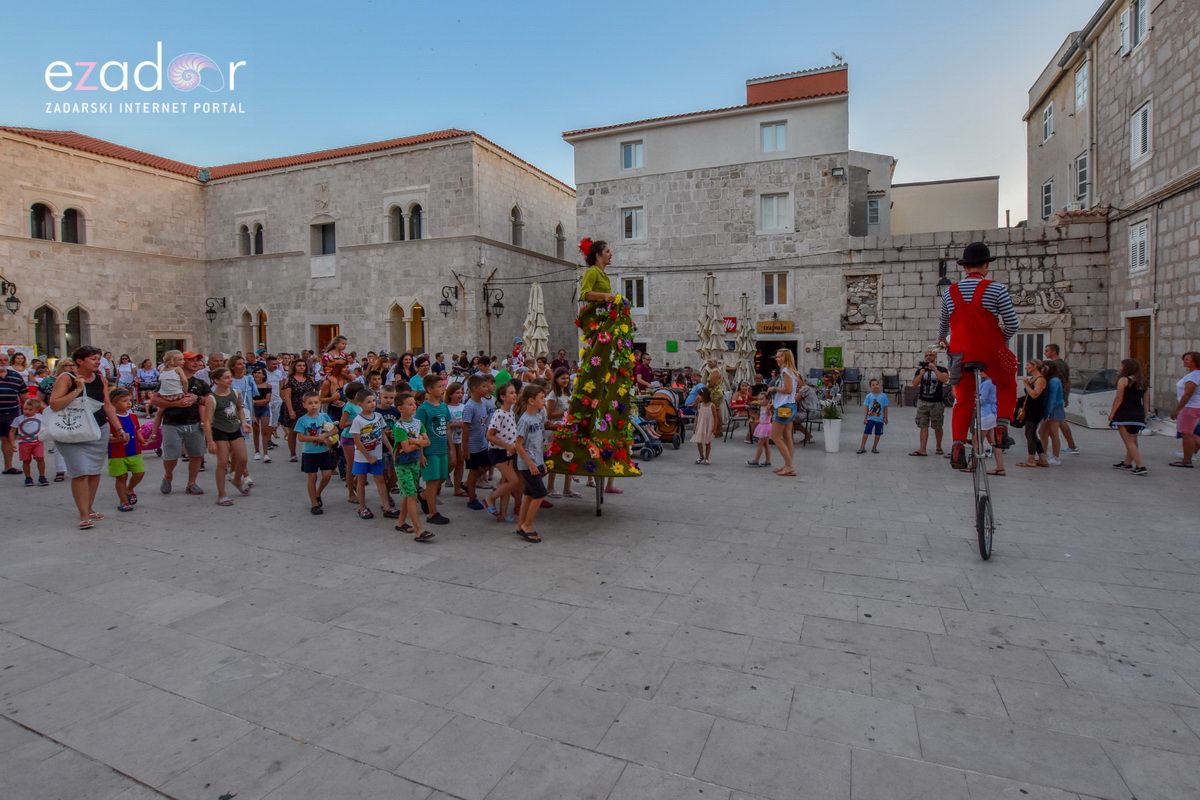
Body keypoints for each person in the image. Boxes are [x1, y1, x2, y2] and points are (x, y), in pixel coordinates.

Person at [546, 237, 641, 490]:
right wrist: (608, 296)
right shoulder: (591, 272)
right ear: (598, 254)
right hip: (598, 323)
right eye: (608, 251)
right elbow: (585, 294)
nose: (611, 254)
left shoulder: (603, 274)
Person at [938, 242, 1020, 471]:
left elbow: (943, 324)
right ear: (986, 265)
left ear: (964, 267)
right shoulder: (997, 289)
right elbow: (1013, 324)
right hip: (990, 350)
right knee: (1006, 383)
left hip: (960, 353)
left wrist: (942, 338)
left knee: (963, 400)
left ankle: (957, 447)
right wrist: (1001, 340)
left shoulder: (949, 292)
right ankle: (1001, 428)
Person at [49, 346, 127, 529]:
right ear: (80, 361)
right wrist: (78, 389)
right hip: (71, 430)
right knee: (80, 472)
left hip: (97, 429)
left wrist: (119, 428)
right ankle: (83, 514)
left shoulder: (100, 378)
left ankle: (89, 508)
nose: (98, 362)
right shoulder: (66, 378)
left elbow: (107, 405)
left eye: (98, 358)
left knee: (93, 471)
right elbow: (54, 404)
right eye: (93, 358)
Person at [152, 351, 210, 496]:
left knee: (196, 454)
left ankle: (191, 483)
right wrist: (176, 403)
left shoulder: (199, 383)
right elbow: (154, 400)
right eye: (191, 360)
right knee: (171, 456)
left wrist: (196, 399)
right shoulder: (168, 378)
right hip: (171, 423)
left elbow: (210, 400)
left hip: (194, 422)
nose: (196, 363)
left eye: (198, 360)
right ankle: (168, 475)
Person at [203, 367, 252, 505]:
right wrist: (210, 442)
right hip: (220, 431)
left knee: (242, 458)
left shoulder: (235, 393)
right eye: (226, 377)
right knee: (223, 462)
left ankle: (237, 480)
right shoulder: (212, 399)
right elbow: (207, 422)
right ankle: (222, 494)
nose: (230, 380)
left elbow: (239, 409)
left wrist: (244, 423)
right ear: (217, 380)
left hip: (235, 429)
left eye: (230, 377)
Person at [349, 388, 396, 520]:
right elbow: (357, 441)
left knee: (380, 479)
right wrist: (368, 457)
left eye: (374, 401)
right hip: (362, 457)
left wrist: (390, 448)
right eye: (368, 402)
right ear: (360, 404)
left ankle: (386, 507)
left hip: (377, 454)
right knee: (361, 480)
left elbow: (382, 434)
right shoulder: (358, 420)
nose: (372, 404)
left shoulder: (378, 416)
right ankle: (362, 507)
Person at [392, 391, 433, 541]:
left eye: (414, 403)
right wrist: (419, 441)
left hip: (414, 463)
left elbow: (427, 442)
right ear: (400, 408)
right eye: (410, 404)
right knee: (411, 495)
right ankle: (419, 530)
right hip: (402, 464)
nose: (414, 406)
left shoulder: (417, 423)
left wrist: (414, 441)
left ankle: (401, 522)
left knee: (408, 493)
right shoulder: (399, 426)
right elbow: (406, 448)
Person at [512, 384, 548, 543]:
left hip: (537, 461)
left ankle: (520, 524)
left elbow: (538, 442)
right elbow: (518, 445)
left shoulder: (539, 417)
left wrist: (541, 462)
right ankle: (528, 524)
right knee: (540, 493)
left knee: (529, 494)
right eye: (541, 397)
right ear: (531, 401)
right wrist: (531, 464)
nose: (544, 400)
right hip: (527, 464)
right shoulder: (525, 420)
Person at [416, 373, 451, 525]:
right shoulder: (423, 409)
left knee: (441, 478)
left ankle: (424, 496)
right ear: (429, 390)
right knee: (432, 480)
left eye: (443, 386)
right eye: (439, 386)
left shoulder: (443, 406)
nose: (443, 389)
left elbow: (447, 427)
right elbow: (418, 431)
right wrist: (421, 453)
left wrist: (451, 448)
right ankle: (432, 513)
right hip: (430, 450)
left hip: (442, 449)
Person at [485, 380, 521, 523]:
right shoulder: (499, 414)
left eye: (515, 392)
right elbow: (490, 435)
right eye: (511, 393)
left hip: (508, 453)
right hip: (498, 452)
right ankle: (490, 498)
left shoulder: (511, 412)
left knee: (507, 483)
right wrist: (507, 445)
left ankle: (503, 514)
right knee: (514, 480)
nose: (515, 395)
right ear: (502, 397)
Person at [295, 391, 335, 515]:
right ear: (304, 405)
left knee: (327, 475)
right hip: (309, 453)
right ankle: (314, 504)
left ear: (320, 404)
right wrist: (316, 438)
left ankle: (318, 493)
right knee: (312, 477)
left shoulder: (324, 417)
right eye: (310, 403)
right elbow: (301, 437)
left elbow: (335, 429)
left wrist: (326, 435)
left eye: (316, 402)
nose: (313, 405)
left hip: (323, 451)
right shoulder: (302, 420)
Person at [107, 388, 147, 510]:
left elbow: (137, 430)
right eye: (124, 401)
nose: (128, 403)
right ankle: (123, 501)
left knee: (139, 473)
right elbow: (106, 438)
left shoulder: (133, 416)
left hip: (134, 451)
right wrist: (117, 440)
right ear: (113, 403)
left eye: (129, 400)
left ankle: (129, 489)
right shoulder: (110, 419)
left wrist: (142, 440)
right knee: (121, 477)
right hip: (117, 453)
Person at [1109, 358, 1149, 475]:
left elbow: (1119, 398)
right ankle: (1127, 463)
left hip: (1124, 413)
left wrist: (1112, 413)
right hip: (1138, 413)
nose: (1120, 368)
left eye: (1122, 366)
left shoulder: (1123, 380)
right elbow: (1146, 402)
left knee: (1128, 442)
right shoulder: (1144, 382)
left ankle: (1141, 466)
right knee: (1133, 440)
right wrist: (1145, 416)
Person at [461, 374, 494, 510]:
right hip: (472, 446)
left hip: (482, 443)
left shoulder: (482, 404)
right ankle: (471, 498)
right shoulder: (470, 406)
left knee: (487, 465)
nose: (487, 389)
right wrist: (465, 448)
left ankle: (467, 484)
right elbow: (465, 428)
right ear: (475, 388)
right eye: (484, 386)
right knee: (473, 471)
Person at [766, 348, 799, 477]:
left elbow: (788, 389)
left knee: (775, 436)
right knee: (787, 436)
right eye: (777, 357)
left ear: (786, 358)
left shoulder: (785, 371)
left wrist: (774, 388)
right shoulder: (791, 371)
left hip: (784, 407)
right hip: (790, 405)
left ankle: (789, 465)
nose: (777, 359)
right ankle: (787, 464)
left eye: (780, 357)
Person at [910, 348, 949, 457]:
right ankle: (922, 449)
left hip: (936, 402)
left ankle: (938, 446)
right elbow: (914, 384)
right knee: (923, 425)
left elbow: (945, 379)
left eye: (931, 355)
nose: (928, 357)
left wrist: (935, 369)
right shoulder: (921, 370)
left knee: (938, 425)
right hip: (923, 401)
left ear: (935, 357)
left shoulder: (941, 369)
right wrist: (921, 375)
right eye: (926, 355)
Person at [149, 350, 196, 436]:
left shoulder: (163, 370)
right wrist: (185, 391)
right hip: (177, 394)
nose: (183, 361)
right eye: (180, 359)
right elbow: (185, 381)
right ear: (172, 361)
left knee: (159, 413)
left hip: (164, 395)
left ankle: (154, 433)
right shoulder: (178, 369)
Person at [1043, 344, 1079, 454]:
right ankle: (1071, 445)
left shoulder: (1056, 365)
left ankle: (1051, 450)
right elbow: (1067, 381)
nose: (1045, 353)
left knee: (1054, 424)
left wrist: (1064, 397)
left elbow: (1064, 381)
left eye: (1047, 350)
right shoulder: (1062, 364)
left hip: (1057, 397)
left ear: (1054, 351)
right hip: (1061, 396)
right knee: (1061, 421)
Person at [1015, 359, 1050, 469]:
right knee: (1031, 433)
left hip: (1036, 409)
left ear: (1035, 366)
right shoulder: (1033, 378)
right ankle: (1042, 458)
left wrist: (1026, 384)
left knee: (1029, 433)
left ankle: (1031, 459)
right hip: (1030, 408)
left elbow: (1035, 394)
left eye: (1028, 365)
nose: (1026, 367)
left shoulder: (1040, 379)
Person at [281, 357, 317, 462]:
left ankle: (311, 451)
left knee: (311, 430)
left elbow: (313, 393)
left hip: (308, 408)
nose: (301, 367)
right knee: (293, 432)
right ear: (295, 367)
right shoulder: (290, 379)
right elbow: (287, 396)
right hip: (294, 407)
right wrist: (291, 410)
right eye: (299, 365)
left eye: (303, 365)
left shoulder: (310, 379)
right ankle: (293, 453)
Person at [1168, 351, 1200, 468]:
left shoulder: (1193, 376)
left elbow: (1188, 393)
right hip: (1196, 406)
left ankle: (1187, 460)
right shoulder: (1196, 374)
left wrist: (1177, 409)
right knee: (1194, 434)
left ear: (1195, 361)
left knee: (1186, 434)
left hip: (1190, 407)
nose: (1184, 361)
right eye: (1184, 359)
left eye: (1187, 359)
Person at [0, 352, 29, 474]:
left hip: (10, 413)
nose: (3, 362)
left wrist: (30, 411)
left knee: (7, 439)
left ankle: (8, 467)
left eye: (5, 360)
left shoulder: (16, 376)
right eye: (0, 360)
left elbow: (24, 396)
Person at [11, 397, 47, 486]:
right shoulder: (18, 419)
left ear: (37, 410)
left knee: (40, 458)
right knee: (26, 460)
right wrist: (12, 443)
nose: (27, 411)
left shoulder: (40, 417)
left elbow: (47, 426)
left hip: (38, 442)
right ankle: (28, 478)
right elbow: (12, 431)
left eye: (30, 409)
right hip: (24, 443)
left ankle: (42, 476)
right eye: (25, 409)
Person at [977, 372, 1006, 476]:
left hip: (985, 413)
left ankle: (974, 465)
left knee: (977, 440)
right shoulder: (994, 383)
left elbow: (981, 399)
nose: (981, 372)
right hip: (992, 413)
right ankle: (1000, 467)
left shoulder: (987, 383)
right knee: (993, 441)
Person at [1039, 361, 1066, 466]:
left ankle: (1056, 456)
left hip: (1054, 409)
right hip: (1052, 408)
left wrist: (1048, 412)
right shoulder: (1053, 379)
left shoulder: (1053, 381)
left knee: (1053, 433)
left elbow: (1052, 398)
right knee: (1042, 431)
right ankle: (1043, 453)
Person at [445, 382, 467, 497]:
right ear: (450, 394)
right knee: (451, 462)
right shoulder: (446, 408)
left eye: (461, 392)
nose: (460, 395)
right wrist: (458, 424)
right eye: (457, 392)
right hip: (449, 438)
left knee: (460, 461)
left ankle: (457, 488)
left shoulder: (464, 407)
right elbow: (446, 424)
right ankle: (440, 480)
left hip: (461, 437)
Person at [857, 379, 890, 454]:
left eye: (876, 384)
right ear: (870, 387)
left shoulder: (884, 396)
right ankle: (862, 447)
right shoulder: (869, 396)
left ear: (879, 385)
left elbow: (886, 407)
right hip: (870, 418)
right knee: (866, 432)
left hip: (880, 419)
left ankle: (874, 447)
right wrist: (865, 418)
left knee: (878, 434)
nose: (875, 386)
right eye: (873, 385)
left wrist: (885, 417)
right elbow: (866, 407)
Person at [251, 366, 273, 462]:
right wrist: (255, 403)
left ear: (263, 375)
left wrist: (254, 402)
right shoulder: (251, 385)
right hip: (254, 410)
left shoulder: (268, 386)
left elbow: (267, 400)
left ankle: (266, 453)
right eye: (255, 373)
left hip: (264, 409)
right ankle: (257, 451)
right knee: (255, 431)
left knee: (265, 431)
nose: (257, 375)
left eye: (259, 373)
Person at [746, 392, 774, 467]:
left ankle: (756, 460)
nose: (760, 401)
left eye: (762, 399)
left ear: (767, 399)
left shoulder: (768, 407)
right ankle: (768, 461)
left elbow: (770, 414)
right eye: (759, 399)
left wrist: (770, 409)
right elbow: (762, 417)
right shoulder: (762, 407)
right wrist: (756, 421)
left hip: (766, 427)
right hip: (762, 425)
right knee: (765, 444)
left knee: (760, 443)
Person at [691, 386, 717, 465]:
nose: (698, 397)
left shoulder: (712, 405)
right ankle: (701, 456)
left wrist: (715, 428)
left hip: (708, 426)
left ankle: (707, 457)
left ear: (704, 395)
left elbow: (715, 418)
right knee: (699, 442)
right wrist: (695, 427)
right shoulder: (699, 405)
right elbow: (697, 417)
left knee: (707, 442)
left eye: (700, 395)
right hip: (700, 426)